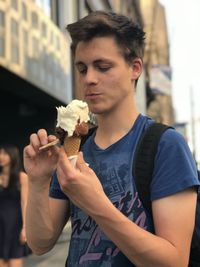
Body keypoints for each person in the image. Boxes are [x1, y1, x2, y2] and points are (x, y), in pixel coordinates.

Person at [23, 11, 200, 267]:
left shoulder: (165, 145)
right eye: (82, 69)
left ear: (135, 68)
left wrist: (96, 204)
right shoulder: (75, 149)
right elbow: (39, 244)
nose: (89, 79)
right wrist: (38, 182)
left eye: (102, 67)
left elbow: (174, 261)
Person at [0, 144, 30, 267]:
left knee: (14, 261)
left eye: (4, 153)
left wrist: (25, 227)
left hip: (14, 225)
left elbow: (25, 203)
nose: (1, 156)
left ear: (12, 156)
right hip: (0, 225)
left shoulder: (22, 177)